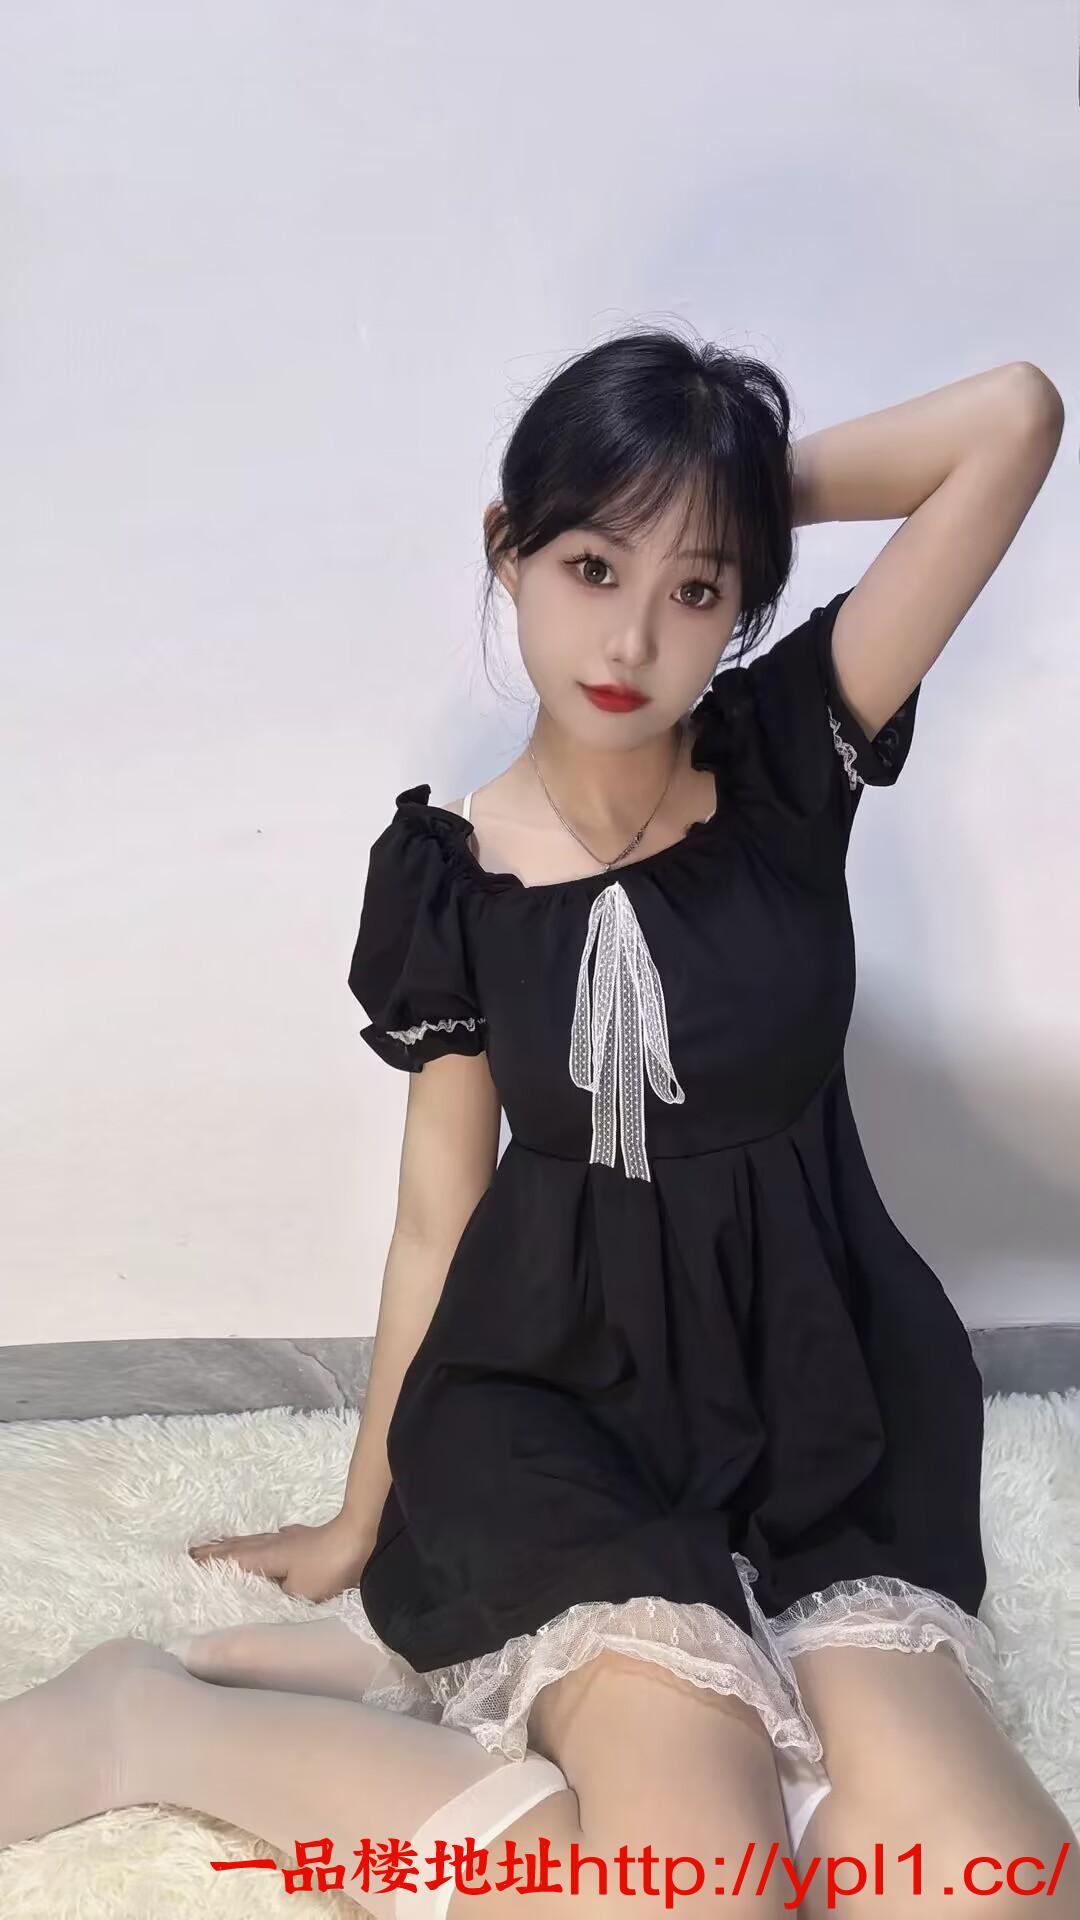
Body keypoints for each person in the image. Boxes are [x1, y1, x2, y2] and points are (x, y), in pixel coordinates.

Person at [2, 331, 1073, 1918]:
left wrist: (715, 484)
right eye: (590, 563)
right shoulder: (453, 879)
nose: (632, 635)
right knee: (695, 1891)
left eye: (697, 587)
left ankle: (534, 1707)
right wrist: (363, 1520)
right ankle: (150, 1722)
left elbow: (1012, 422)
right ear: (508, 549)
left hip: (821, 1410)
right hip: (562, 1416)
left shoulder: (791, 749)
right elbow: (438, 1215)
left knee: (996, 1888)